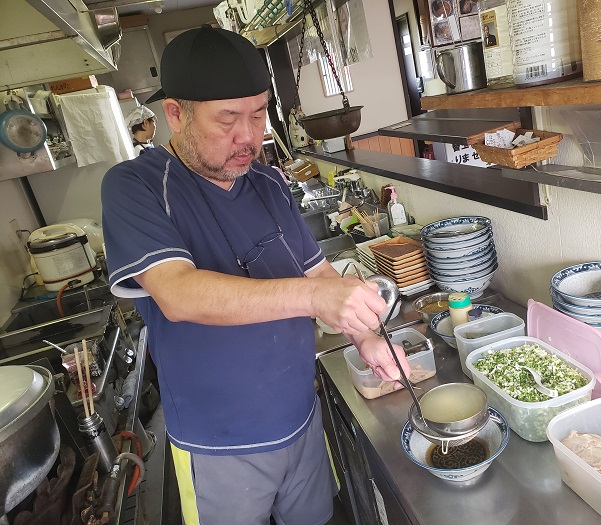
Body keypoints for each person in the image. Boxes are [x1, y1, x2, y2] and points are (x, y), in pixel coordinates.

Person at [101, 25, 410, 525]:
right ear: (175, 115)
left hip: (301, 420)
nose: (249, 136)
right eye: (227, 119)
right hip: (219, 445)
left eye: (259, 113)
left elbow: (321, 272)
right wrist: (315, 299)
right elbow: (178, 293)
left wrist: (368, 336)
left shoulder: (266, 182)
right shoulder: (134, 186)